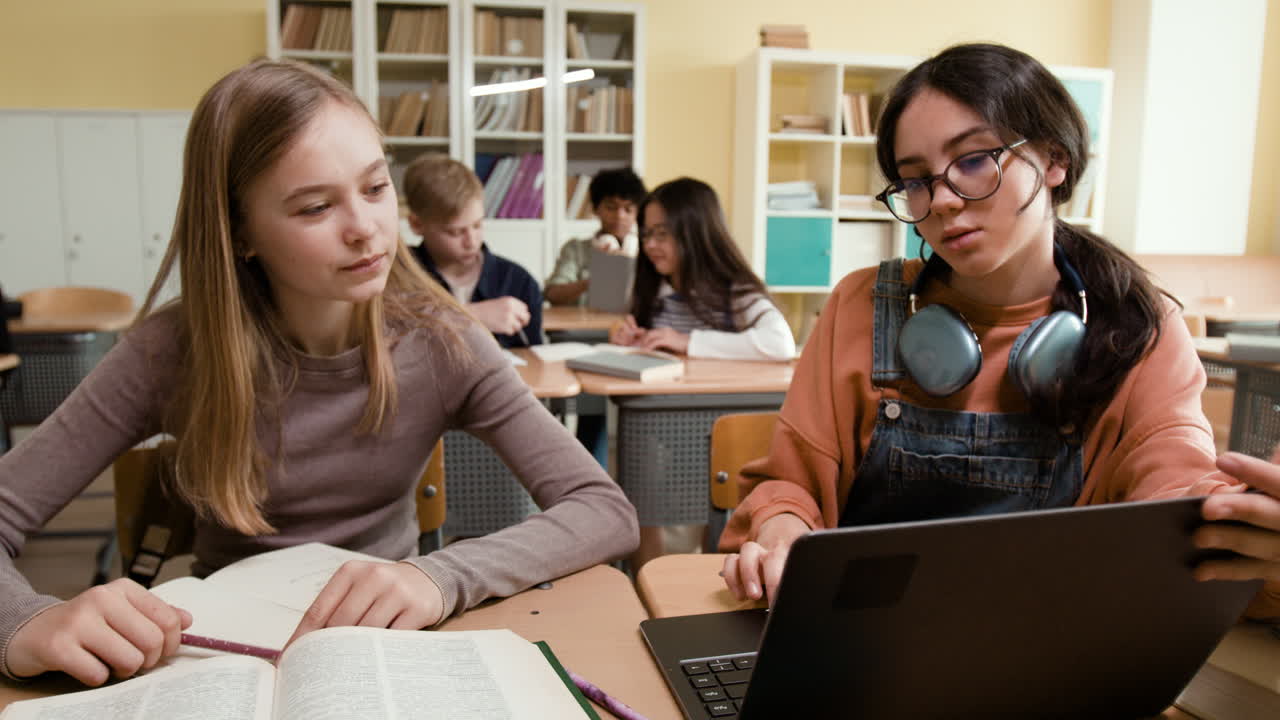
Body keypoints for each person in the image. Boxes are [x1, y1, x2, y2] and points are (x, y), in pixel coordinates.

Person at [0, 58, 638, 686]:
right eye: (313, 208)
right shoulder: (169, 351)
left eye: (376, 186)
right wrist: (26, 622)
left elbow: (603, 509)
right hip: (214, 651)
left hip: (388, 650)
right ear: (240, 232)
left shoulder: (444, 342)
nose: (365, 229)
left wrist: (438, 576)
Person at [719, 43, 1280, 619]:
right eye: (915, 180)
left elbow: (1173, 488)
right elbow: (792, 485)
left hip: (1051, 649)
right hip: (861, 643)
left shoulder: (1140, 327)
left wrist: (1240, 521)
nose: (940, 199)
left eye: (972, 160)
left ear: (1055, 159)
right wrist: (783, 530)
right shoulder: (860, 306)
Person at [608, 177, 796, 362]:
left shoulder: (735, 291)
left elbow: (781, 344)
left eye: (662, 233)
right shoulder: (655, 288)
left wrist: (686, 341)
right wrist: (630, 338)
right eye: (646, 234)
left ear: (695, 236)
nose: (649, 244)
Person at [405, 154, 542, 348]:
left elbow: (536, 361)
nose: (471, 242)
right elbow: (387, 338)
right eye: (455, 232)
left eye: (477, 225)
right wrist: (473, 316)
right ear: (417, 224)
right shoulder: (397, 276)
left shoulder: (519, 282)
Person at [543, 167, 646, 307]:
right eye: (611, 207)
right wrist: (595, 279)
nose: (619, 216)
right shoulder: (575, 249)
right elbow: (552, 294)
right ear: (596, 209)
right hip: (582, 326)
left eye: (628, 209)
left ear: (637, 213)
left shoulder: (647, 249)